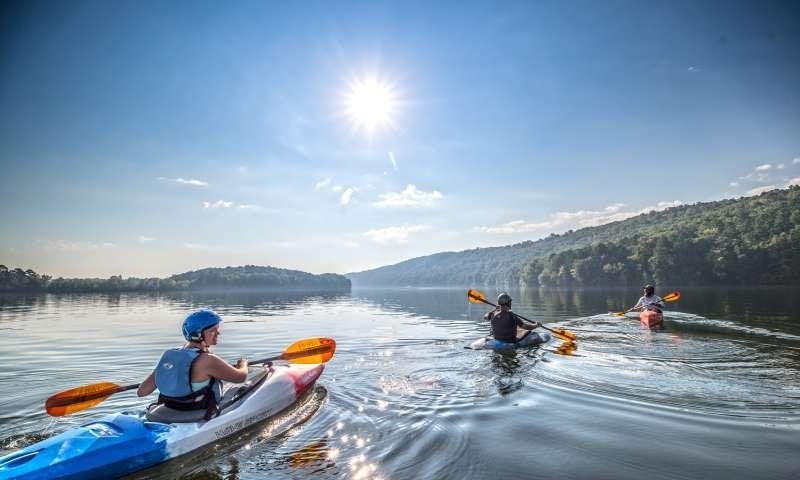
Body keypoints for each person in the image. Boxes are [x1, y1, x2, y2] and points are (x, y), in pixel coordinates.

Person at [137, 309, 249, 419]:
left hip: (167, 410)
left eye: (217, 329)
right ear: (199, 335)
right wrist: (243, 364)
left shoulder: (171, 356)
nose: (218, 333)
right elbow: (240, 377)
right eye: (213, 330)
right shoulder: (208, 359)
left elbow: (142, 391)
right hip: (195, 411)